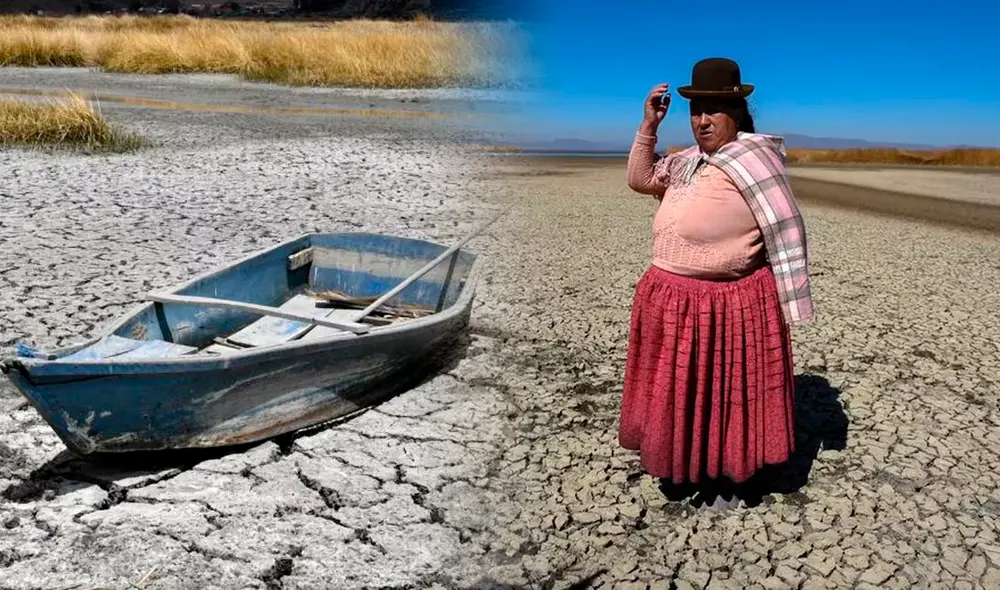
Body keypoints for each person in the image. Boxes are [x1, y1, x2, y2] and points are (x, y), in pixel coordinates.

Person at [619, 57, 814, 503]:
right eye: (695, 110)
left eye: (713, 110)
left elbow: (786, 226)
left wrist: (787, 295)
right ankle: (682, 465)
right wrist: (648, 125)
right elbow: (639, 179)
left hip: (725, 302)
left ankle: (727, 473)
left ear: (738, 113)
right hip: (671, 297)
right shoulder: (688, 161)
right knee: (680, 391)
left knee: (723, 394)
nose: (702, 120)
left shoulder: (754, 162)